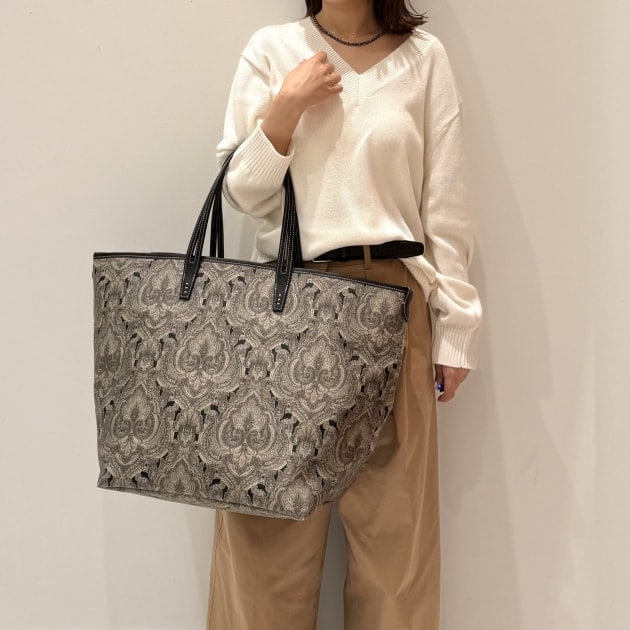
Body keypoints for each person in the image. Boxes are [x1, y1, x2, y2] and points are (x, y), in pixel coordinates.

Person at [206, 1, 482, 628]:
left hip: (395, 309)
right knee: (265, 550)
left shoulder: (424, 60)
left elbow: (445, 202)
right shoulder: (273, 49)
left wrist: (456, 328)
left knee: (396, 549)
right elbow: (241, 192)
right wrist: (285, 110)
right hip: (285, 309)